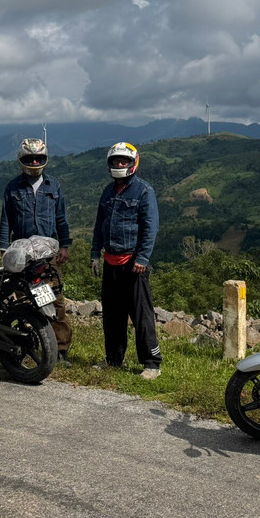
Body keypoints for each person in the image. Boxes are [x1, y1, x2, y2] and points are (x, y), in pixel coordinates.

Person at [0, 138, 73, 362]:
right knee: (25, 301)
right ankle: (28, 345)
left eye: (38, 158)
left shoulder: (53, 186)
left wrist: (65, 246)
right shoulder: (13, 187)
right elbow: (6, 221)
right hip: (22, 255)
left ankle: (60, 350)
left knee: (55, 301)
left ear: (45, 159)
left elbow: (61, 218)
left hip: (48, 255)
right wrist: (4, 250)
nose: (34, 162)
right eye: (29, 158)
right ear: (22, 160)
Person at [90, 141, 162, 379]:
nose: (119, 164)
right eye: (115, 161)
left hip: (133, 263)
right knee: (112, 315)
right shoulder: (108, 191)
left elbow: (150, 227)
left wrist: (142, 257)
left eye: (124, 161)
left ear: (133, 163)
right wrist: (95, 254)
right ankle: (113, 359)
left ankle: (151, 363)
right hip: (111, 261)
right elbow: (99, 225)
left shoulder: (143, 191)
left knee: (141, 315)